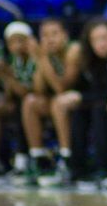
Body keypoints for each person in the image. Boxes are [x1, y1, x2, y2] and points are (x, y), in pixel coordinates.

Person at [52, 18, 107, 187]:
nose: (101, 44)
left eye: (105, 38)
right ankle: (77, 168)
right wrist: (79, 97)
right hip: (102, 104)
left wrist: (82, 97)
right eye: (96, 40)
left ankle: (103, 167)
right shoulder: (90, 60)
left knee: (99, 110)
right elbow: (88, 90)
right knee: (78, 112)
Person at [20, 18, 81, 185]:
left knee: (57, 102)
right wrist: (41, 61)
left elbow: (62, 88)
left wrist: (41, 59)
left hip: (85, 97)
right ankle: (38, 158)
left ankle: (67, 160)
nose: (49, 39)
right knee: (30, 102)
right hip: (61, 100)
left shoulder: (74, 50)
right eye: (45, 35)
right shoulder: (46, 55)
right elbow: (39, 89)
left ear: (65, 36)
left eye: (55, 34)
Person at [0, 21, 36, 176]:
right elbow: (10, 94)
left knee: (24, 106)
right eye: (12, 42)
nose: (17, 46)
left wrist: (6, 74)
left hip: (36, 103)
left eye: (21, 40)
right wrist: (0, 75)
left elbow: (27, 91)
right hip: (21, 103)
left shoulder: (36, 59)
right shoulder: (14, 61)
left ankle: (24, 158)